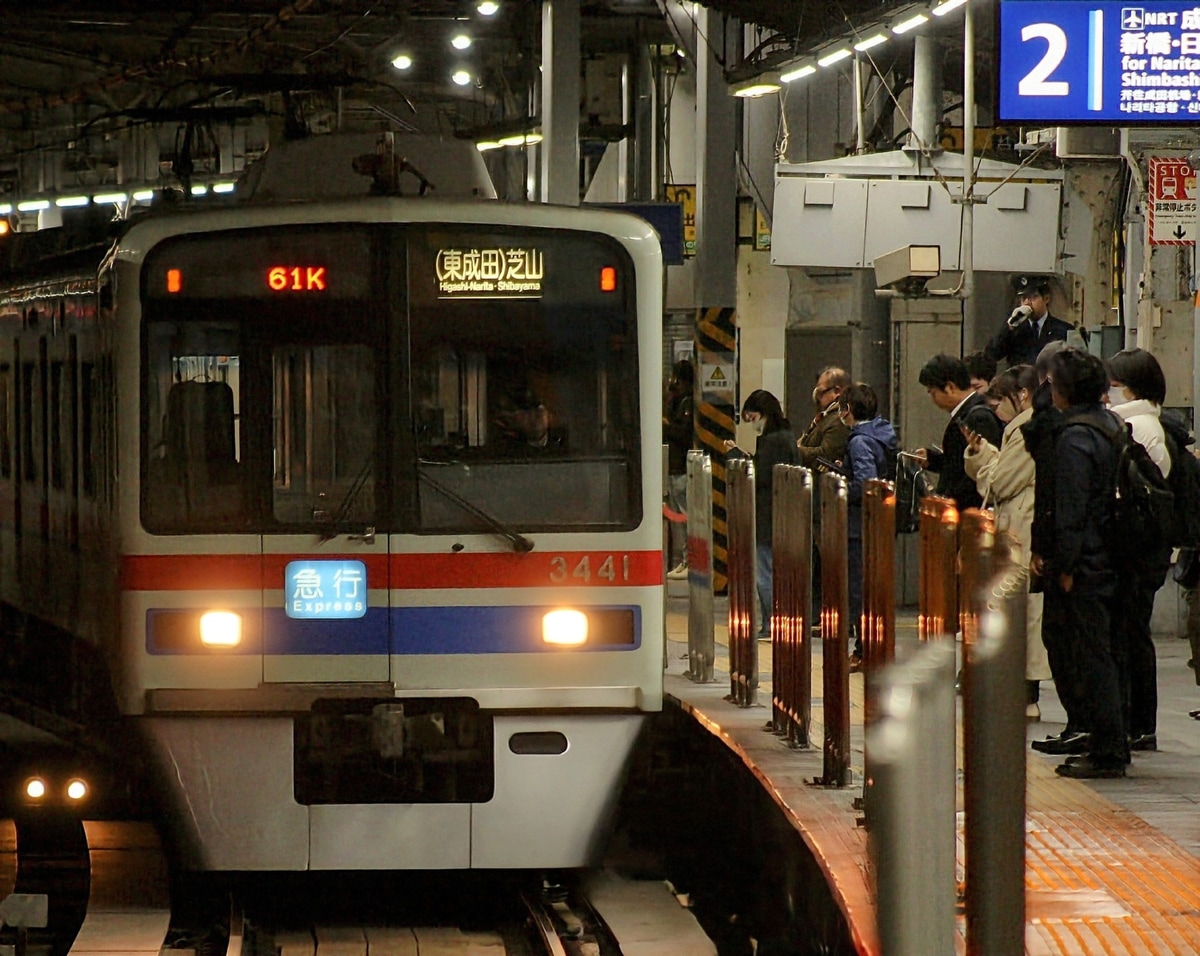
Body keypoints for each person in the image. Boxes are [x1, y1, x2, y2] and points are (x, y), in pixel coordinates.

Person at [1039, 347, 1127, 779]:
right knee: (1106, 652)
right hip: (1114, 554)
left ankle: (1107, 750)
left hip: (1087, 562)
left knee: (1091, 656)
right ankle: (1109, 740)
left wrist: (1065, 566)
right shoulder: (1111, 425)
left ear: (1065, 390)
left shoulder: (1075, 437)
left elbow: (1071, 509)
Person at [963, 364, 1051, 718]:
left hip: (1022, 528)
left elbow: (1000, 483)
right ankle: (1021, 692)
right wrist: (985, 456)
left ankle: (1026, 695)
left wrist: (986, 464)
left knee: (1022, 613)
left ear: (1023, 395)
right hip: (1018, 526)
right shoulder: (1021, 429)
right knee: (1018, 612)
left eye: (1000, 400)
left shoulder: (1027, 430)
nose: (996, 407)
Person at [1106, 348, 1171, 752]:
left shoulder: (1138, 427)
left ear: (1131, 387)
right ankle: (1136, 721)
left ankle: (1139, 722)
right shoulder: (1142, 422)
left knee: (1131, 635)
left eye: (1114, 385)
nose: (1109, 393)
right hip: (1143, 548)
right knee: (1131, 633)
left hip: (1136, 548)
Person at [726, 390, 799, 641]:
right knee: (774, 571)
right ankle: (776, 620)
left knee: (763, 573)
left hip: (768, 517)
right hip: (784, 514)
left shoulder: (773, 441)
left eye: (752, 416)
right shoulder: (786, 436)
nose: (752, 422)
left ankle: (771, 622)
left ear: (764, 413)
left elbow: (760, 475)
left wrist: (737, 457)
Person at [837, 383, 897, 669]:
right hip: (877, 524)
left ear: (848, 409)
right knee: (873, 589)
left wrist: (840, 487)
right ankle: (874, 647)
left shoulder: (859, 441)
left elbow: (865, 482)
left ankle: (864, 650)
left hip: (859, 526)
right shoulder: (882, 434)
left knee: (860, 592)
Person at [914, 354, 1003, 510]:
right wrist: (933, 459)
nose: (933, 399)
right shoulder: (966, 414)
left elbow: (975, 474)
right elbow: (958, 462)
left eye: (933, 393)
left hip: (968, 511)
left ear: (950, 387)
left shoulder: (979, 418)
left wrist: (947, 501)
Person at [984, 274, 1073, 368]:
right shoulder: (1014, 329)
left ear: (1046, 298)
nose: (1027, 303)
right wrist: (1009, 328)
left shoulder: (1063, 329)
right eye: (1023, 298)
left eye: (1033, 298)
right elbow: (992, 355)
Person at [663, 359, 695, 579]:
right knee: (678, 518)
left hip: (682, 468)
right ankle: (683, 560)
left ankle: (690, 559)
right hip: (674, 468)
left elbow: (684, 434)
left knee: (685, 516)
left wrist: (667, 426)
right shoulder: (676, 401)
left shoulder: (688, 403)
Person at [797, 366, 851, 467]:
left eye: (821, 392)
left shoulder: (839, 420)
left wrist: (796, 450)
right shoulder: (825, 417)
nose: (817, 398)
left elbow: (825, 454)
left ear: (837, 391)